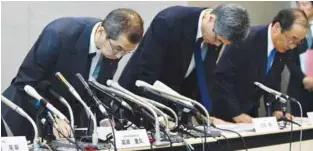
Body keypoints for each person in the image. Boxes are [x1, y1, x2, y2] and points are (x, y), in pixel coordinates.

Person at [1, 8, 144, 139]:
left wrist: (104, 119)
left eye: (126, 52)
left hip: (69, 123)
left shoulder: (113, 48)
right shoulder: (59, 34)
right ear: (101, 32)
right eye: (118, 49)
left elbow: (99, 88)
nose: (119, 56)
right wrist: (51, 115)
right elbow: (25, 84)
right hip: (26, 116)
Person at [118, 4, 250, 124]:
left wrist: (203, 116)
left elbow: (202, 79)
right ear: (211, 18)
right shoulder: (169, 21)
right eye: (217, 39)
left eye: (222, 43)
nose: (217, 44)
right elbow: (147, 73)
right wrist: (158, 114)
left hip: (174, 106)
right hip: (140, 99)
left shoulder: (216, 33)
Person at [212, 8, 308, 123]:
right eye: (292, 39)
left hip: (251, 112)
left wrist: (276, 109)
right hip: (225, 112)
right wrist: (236, 113)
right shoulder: (246, 38)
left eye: (298, 42)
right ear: (277, 27)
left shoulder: (284, 49)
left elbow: (274, 80)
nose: (292, 46)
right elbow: (222, 78)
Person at [286, 1, 313, 117]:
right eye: (298, 4)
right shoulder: (293, 27)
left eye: (305, 4)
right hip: (298, 86)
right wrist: (304, 78)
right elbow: (288, 58)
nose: (301, 8)